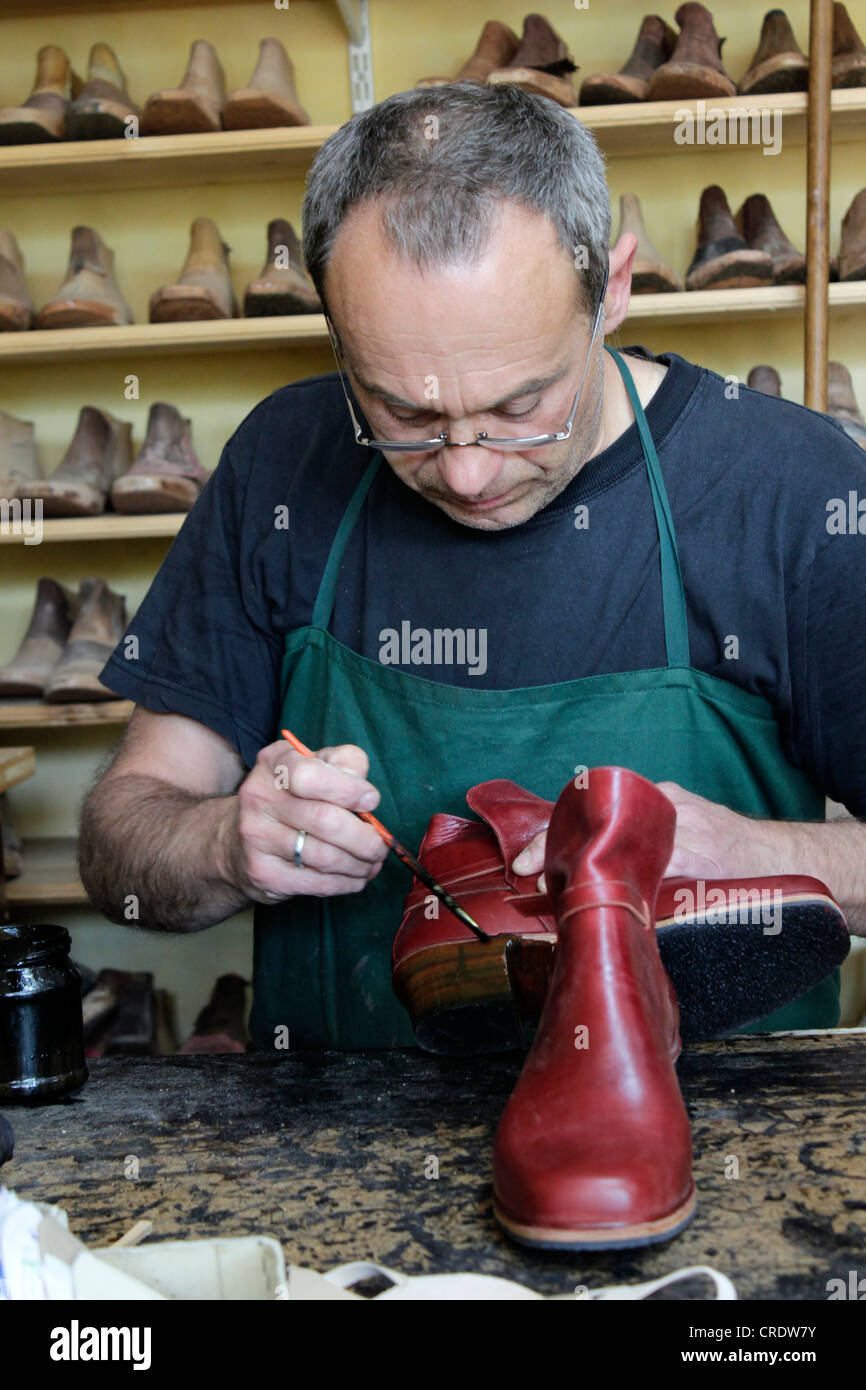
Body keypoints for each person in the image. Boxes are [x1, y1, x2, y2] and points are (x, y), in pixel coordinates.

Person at [80, 83, 866, 1049]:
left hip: (723, 1133)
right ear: (334, 327)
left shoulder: (789, 487)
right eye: (403, 414)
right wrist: (223, 845)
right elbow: (120, 840)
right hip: (341, 1131)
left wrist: (751, 856)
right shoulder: (282, 461)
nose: (466, 471)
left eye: (521, 406)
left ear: (613, 290)